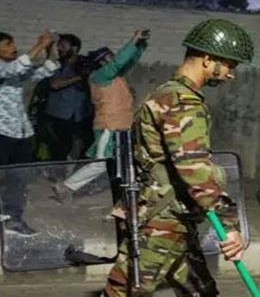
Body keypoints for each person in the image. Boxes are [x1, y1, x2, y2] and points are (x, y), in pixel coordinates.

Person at [29, 19, 260, 297]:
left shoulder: (167, 95)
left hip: (172, 219)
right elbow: (194, 169)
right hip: (160, 225)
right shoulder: (180, 101)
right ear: (206, 58)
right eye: (229, 64)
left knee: (200, 295)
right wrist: (227, 221)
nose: (232, 74)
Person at [52, 30, 149, 202]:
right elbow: (120, 62)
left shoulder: (113, 76)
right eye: (110, 56)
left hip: (120, 125)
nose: (114, 58)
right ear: (102, 61)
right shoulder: (100, 76)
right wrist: (133, 40)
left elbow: (128, 61)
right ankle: (66, 186)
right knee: (101, 162)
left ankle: (127, 197)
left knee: (124, 160)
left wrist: (140, 46)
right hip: (109, 125)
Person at [0, 31, 59, 237]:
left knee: (19, 179)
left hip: (21, 133)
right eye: (8, 44)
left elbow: (45, 71)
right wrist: (40, 44)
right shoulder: (4, 68)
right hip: (2, 133)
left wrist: (50, 50)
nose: (13, 48)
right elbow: (18, 66)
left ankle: (13, 219)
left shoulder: (14, 70)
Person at [43, 33, 94, 163]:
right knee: (59, 148)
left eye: (63, 46)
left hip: (81, 113)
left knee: (82, 144)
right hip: (59, 114)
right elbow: (55, 84)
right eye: (59, 46)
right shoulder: (56, 64)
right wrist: (78, 77)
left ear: (75, 48)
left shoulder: (84, 63)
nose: (60, 49)